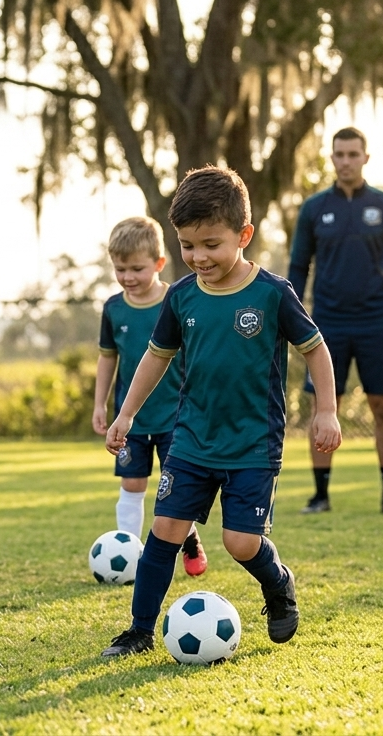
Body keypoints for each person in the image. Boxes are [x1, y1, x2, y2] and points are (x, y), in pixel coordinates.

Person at [99, 165, 342, 657]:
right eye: (188, 246)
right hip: (191, 437)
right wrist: (124, 414)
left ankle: (278, 585)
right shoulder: (182, 297)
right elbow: (154, 358)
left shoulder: (272, 293)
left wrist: (327, 411)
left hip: (253, 442)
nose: (198, 257)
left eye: (211, 244)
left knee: (240, 544)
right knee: (164, 530)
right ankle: (140, 631)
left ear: (243, 235)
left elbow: (315, 349)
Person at [288, 127, 383, 515]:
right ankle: (320, 495)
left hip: (377, 321)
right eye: (339, 154)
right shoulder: (313, 209)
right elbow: (298, 266)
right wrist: (292, 318)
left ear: (365, 157)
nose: (345, 161)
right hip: (326, 325)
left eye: (352, 154)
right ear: (332, 158)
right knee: (325, 406)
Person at [92, 216, 207, 576]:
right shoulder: (113, 309)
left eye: (137, 269)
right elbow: (107, 358)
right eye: (120, 269)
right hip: (132, 418)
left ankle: (190, 540)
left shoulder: (177, 300)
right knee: (133, 483)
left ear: (158, 264)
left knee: (176, 491)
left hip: (177, 416)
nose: (128, 277)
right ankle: (128, 551)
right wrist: (100, 404)